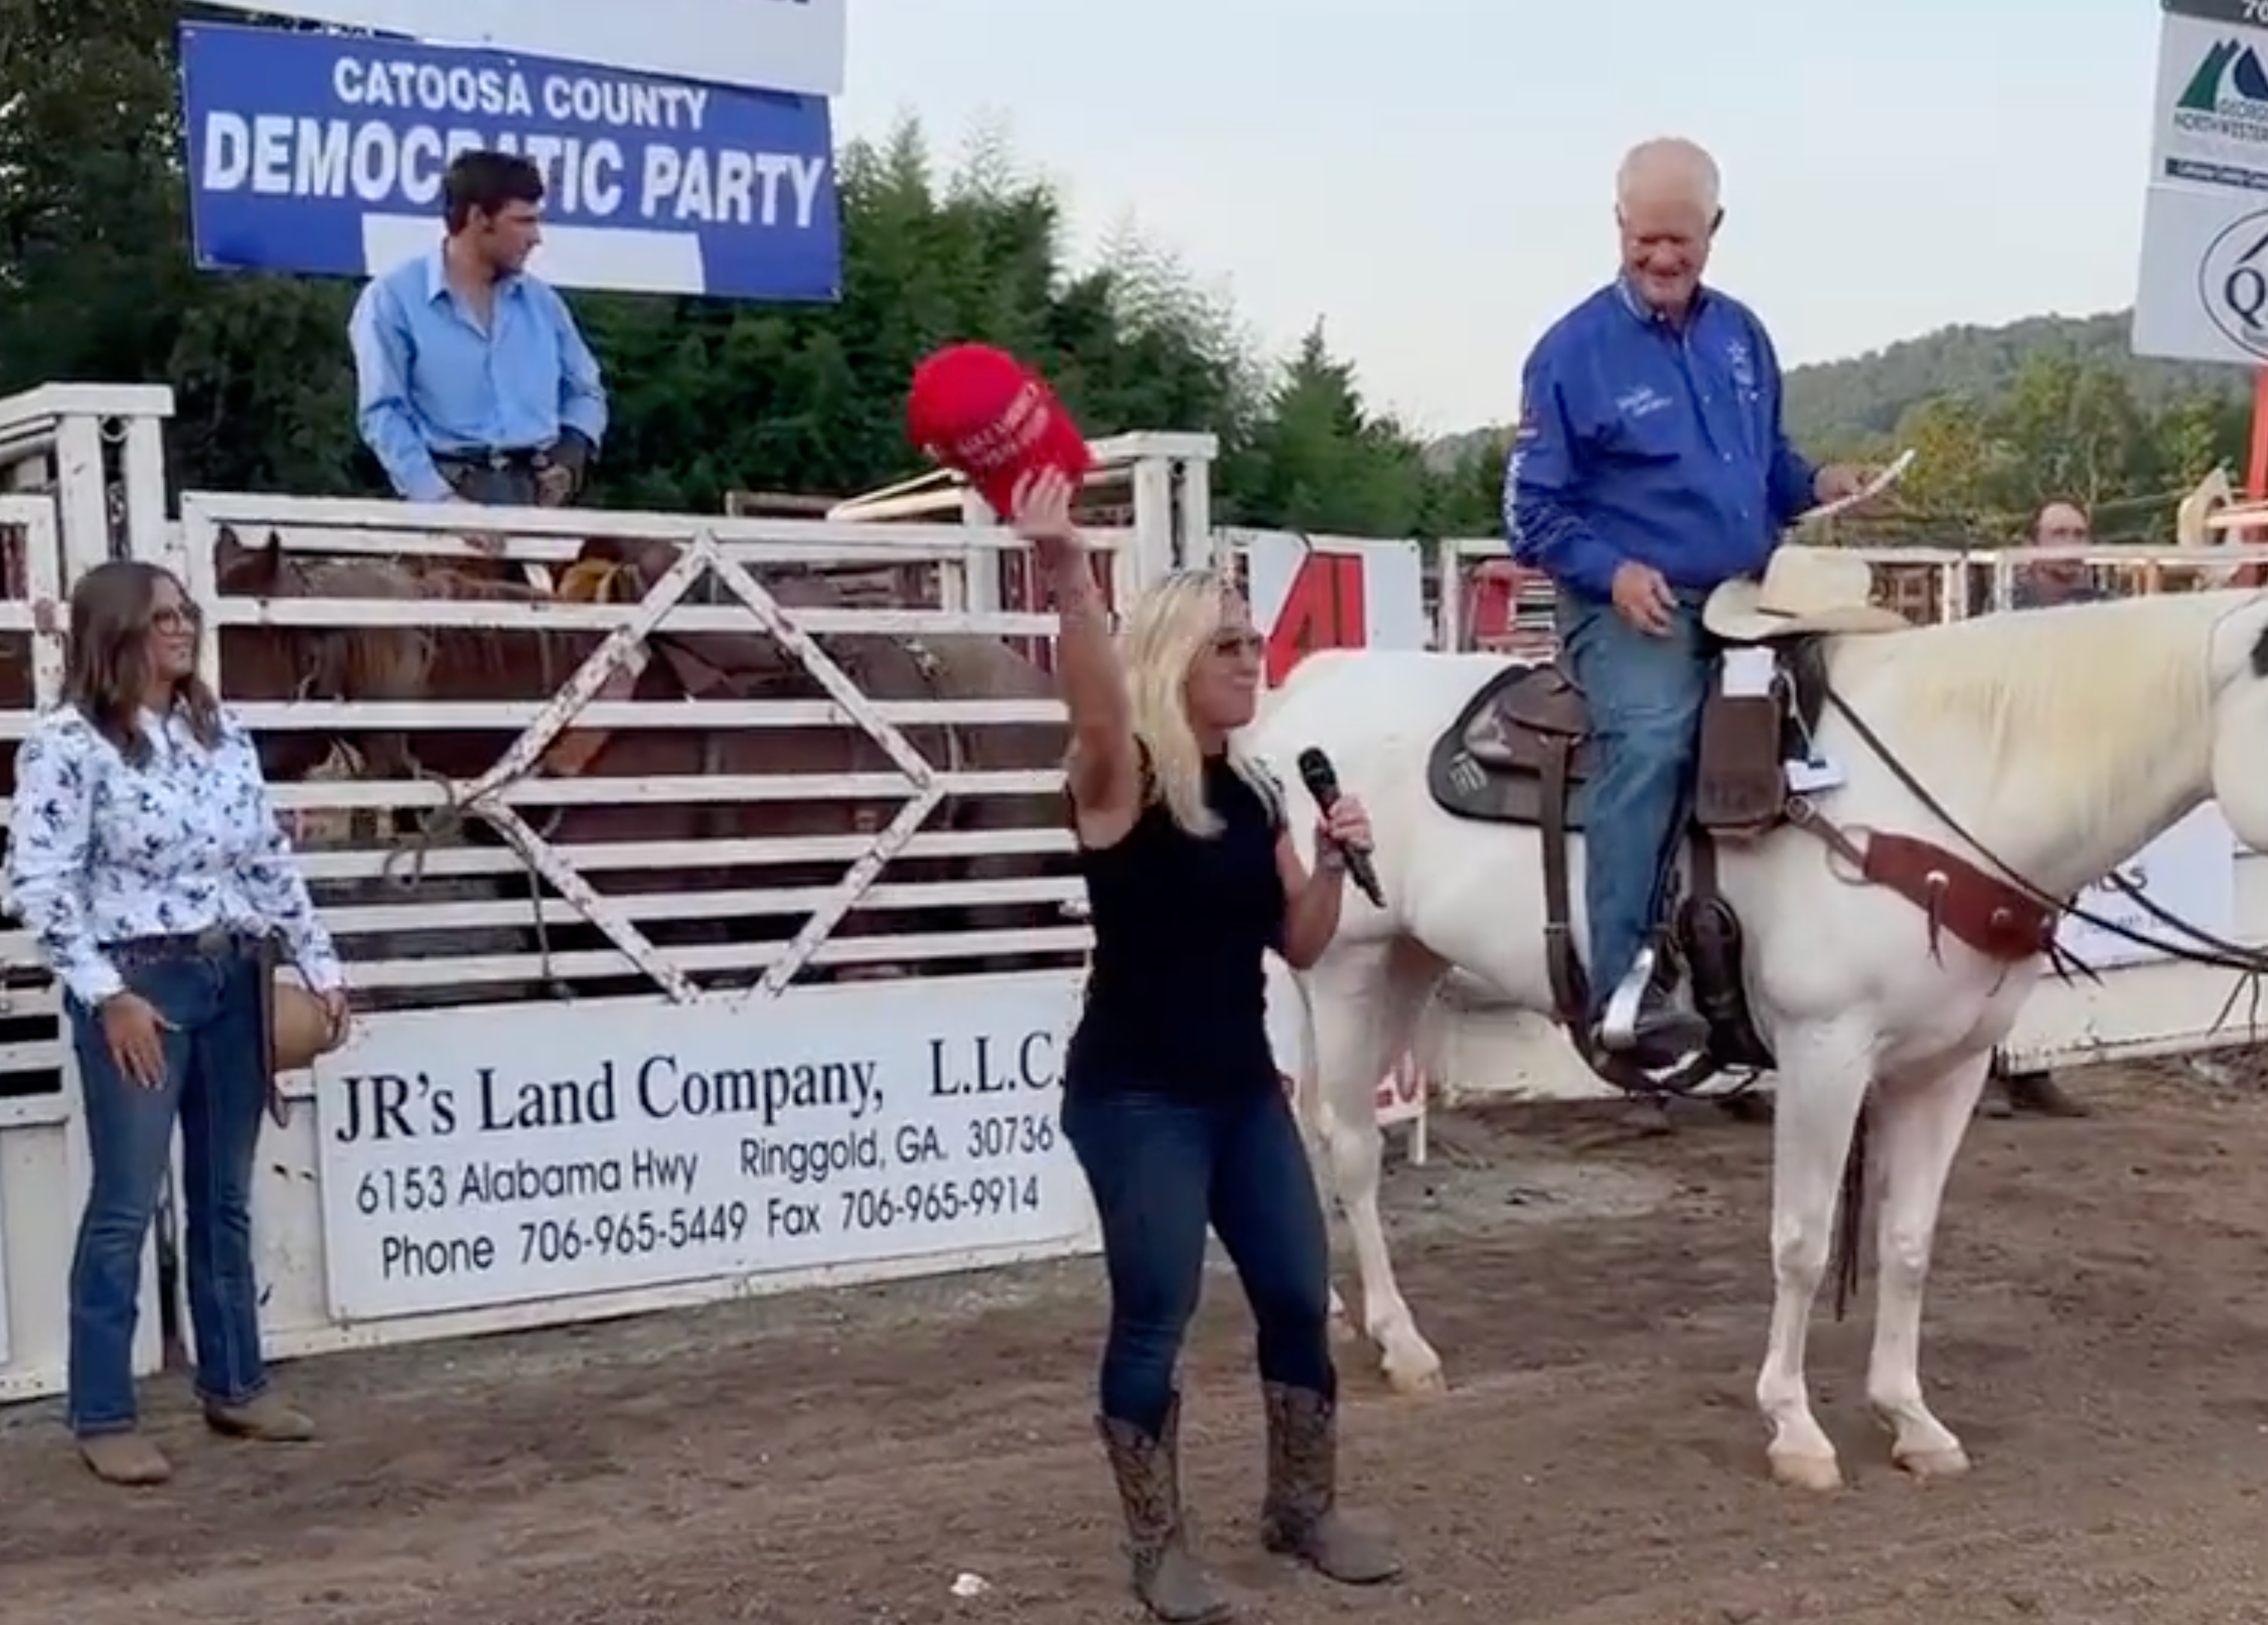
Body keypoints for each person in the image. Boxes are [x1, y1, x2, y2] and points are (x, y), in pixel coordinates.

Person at [1014, 466, 1400, 1621]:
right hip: (1136, 1096)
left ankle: (1300, 1507)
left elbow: (1300, 939)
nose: (1251, 658)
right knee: (1156, 1309)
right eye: (1227, 644)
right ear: (1174, 658)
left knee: (1296, 1287)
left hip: (1238, 1086)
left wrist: (1333, 862)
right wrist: (1068, 577)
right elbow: (1090, 704)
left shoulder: (1257, 785)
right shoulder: (1119, 777)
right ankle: (1157, 1548)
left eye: (1250, 640)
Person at [1506, 135, 1869, 1063]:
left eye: (1683, 239)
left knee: (1844, 712)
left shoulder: (1742, 333)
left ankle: (1807, 953)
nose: (1663, 259)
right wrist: (1613, 571)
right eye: (1646, 240)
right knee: (1658, 733)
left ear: (1714, 228)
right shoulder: (1569, 351)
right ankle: (1623, 985)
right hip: (1632, 605)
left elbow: (1766, 468)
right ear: (1618, 225)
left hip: (1750, 594)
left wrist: (1822, 480)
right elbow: (1529, 510)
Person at [5, 561, 351, 1486]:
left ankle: (236, 1379)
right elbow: (39, 883)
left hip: (232, 970)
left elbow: (267, 857)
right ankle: (102, 1409)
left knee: (224, 1193)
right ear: (115, 631)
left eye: (185, 611)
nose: (182, 626)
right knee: (124, 1202)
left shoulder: (216, 730)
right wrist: (104, 991)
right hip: (142, 983)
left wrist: (319, 961)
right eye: (161, 616)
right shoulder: (68, 746)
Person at [348, 149, 608, 512]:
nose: (536, 238)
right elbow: (383, 413)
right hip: (446, 494)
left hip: (538, 496)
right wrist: (440, 501)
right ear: (478, 218)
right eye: (523, 221)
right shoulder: (393, 299)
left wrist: (570, 453)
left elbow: (586, 389)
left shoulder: (542, 303)